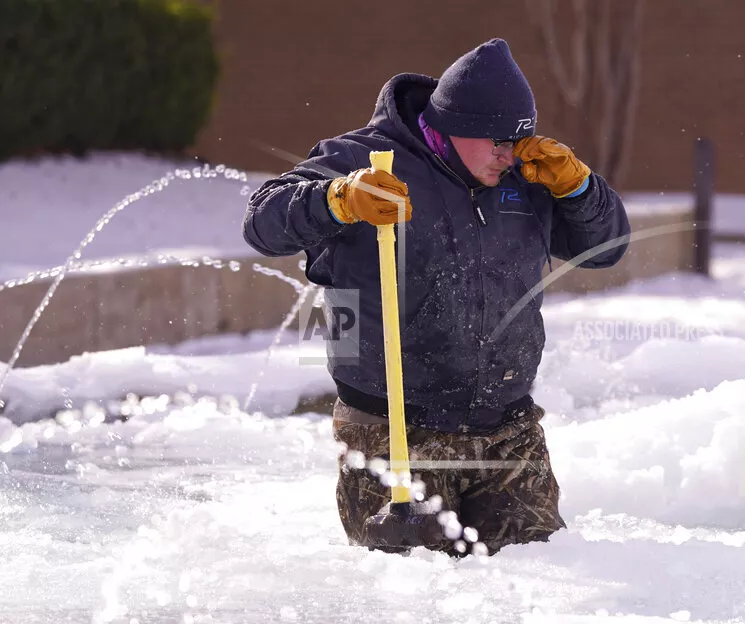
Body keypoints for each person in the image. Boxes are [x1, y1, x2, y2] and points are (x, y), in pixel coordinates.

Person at [242, 38, 630, 556]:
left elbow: (606, 250)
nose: (507, 154)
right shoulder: (362, 159)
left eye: (518, 139)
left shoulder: (530, 176)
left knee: (541, 579)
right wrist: (337, 199)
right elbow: (262, 224)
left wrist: (582, 192)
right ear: (450, 126)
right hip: (393, 429)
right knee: (417, 594)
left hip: (506, 430)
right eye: (495, 141)